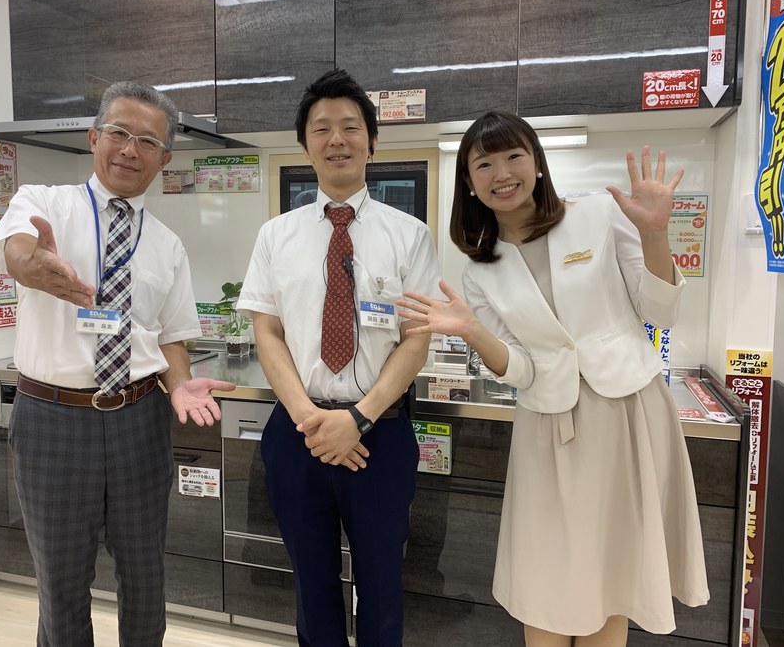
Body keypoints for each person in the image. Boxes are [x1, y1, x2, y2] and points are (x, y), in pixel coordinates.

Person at [397, 111, 709, 646]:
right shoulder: (481, 271)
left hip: (626, 413)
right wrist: (472, 331)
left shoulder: (598, 215)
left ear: (537, 164)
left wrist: (655, 233)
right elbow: (520, 369)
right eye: (484, 164)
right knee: (545, 574)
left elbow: (661, 311)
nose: (502, 173)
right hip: (548, 426)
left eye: (514, 156)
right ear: (468, 182)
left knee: (612, 572)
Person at [0, 81, 235, 646]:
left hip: (139, 420)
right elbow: (16, 250)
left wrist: (181, 384)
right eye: (119, 132)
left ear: (164, 160)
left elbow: (172, 337)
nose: (130, 149)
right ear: (94, 138)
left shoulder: (167, 244)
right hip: (52, 418)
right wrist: (30, 264)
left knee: (144, 575)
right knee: (61, 581)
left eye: (148, 141)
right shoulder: (44, 203)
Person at [237, 68, 442, 646]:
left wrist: (357, 419)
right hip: (297, 432)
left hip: (380, 432)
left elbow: (416, 339)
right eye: (321, 128)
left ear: (372, 141)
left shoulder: (411, 235)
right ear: (305, 145)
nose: (337, 139)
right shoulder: (275, 235)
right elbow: (267, 332)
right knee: (311, 585)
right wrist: (310, 419)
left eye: (350, 127)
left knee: (382, 585)